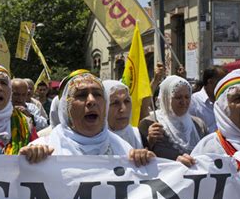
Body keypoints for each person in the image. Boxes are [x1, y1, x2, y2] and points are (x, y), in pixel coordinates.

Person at [22, 70, 155, 166]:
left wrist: (146, 164)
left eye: (97, 94)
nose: (91, 100)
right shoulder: (42, 148)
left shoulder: (125, 150)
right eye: (81, 95)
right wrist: (26, 164)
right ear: (65, 108)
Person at [139, 75, 208, 161]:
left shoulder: (199, 124)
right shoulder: (150, 123)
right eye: (178, 97)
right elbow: (140, 155)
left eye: (187, 97)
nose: (184, 102)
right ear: (166, 98)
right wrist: (150, 140)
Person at [103, 80, 143, 149]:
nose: (123, 109)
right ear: (103, 107)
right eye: (115, 103)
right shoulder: (92, 143)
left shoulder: (138, 136)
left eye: (127, 101)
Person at [189, 65, 227, 133]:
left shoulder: (225, 100)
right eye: (221, 82)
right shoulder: (194, 101)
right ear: (210, 82)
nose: (224, 85)